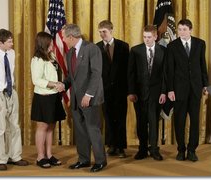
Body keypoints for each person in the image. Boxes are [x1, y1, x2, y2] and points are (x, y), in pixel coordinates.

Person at [57, 24, 107, 172]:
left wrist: (88, 95)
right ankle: (84, 160)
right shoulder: (70, 53)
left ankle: (100, 161)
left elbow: (96, 74)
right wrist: (63, 85)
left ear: (71, 37)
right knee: (80, 131)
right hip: (76, 99)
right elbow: (71, 77)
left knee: (93, 130)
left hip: (89, 98)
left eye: (64, 37)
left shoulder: (92, 49)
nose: (64, 40)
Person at [0, 29, 29, 171]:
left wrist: (12, 91)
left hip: (11, 92)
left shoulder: (11, 54)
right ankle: (1, 159)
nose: (12, 43)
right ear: (0, 43)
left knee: (15, 126)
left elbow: (10, 74)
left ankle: (15, 156)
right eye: (9, 41)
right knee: (1, 128)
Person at [167, 19, 208, 162]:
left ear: (190, 30)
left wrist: (205, 85)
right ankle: (181, 150)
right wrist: (170, 89)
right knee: (179, 121)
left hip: (196, 89)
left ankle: (192, 150)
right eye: (179, 29)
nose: (182, 32)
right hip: (179, 90)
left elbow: (203, 65)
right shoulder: (172, 46)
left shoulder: (200, 43)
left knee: (195, 121)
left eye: (184, 29)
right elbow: (170, 70)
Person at [128, 25, 166, 161]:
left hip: (156, 94)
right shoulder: (135, 50)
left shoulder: (163, 51)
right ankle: (142, 149)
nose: (146, 40)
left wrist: (163, 92)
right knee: (141, 122)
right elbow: (130, 73)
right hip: (139, 94)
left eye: (149, 37)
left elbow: (164, 75)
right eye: (144, 37)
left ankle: (154, 149)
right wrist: (131, 92)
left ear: (155, 37)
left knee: (154, 121)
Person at [30, 31, 66, 168]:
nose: (52, 44)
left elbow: (56, 74)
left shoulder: (51, 56)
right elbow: (36, 80)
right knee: (43, 126)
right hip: (43, 97)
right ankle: (40, 156)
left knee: (51, 126)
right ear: (43, 43)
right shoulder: (38, 59)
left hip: (53, 96)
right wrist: (54, 84)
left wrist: (60, 84)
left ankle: (49, 155)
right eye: (50, 42)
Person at [96, 20, 129, 158]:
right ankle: (111, 145)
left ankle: (121, 147)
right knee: (108, 118)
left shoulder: (123, 46)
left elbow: (128, 69)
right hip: (104, 90)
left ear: (111, 30)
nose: (102, 34)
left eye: (104, 32)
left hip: (120, 90)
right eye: (100, 32)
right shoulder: (96, 47)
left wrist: (129, 90)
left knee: (120, 118)